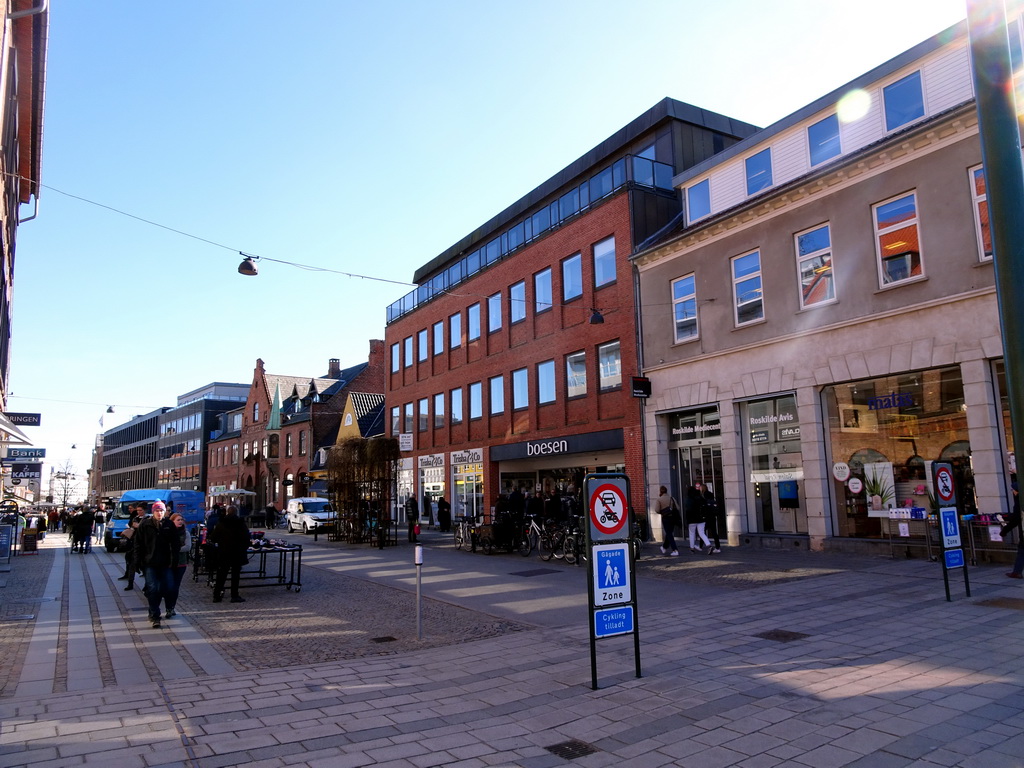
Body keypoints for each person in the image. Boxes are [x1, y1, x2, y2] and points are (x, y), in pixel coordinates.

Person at [133, 500, 180, 628]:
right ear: (153, 512)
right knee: (153, 589)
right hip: (150, 562)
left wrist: (174, 560)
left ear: (165, 512)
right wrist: (136, 562)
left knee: (169, 587)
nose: (159, 513)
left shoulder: (169, 524)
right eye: (157, 511)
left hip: (165, 562)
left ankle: (168, 608)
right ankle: (154, 615)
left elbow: (175, 544)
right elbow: (138, 544)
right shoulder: (146, 524)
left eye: (161, 511)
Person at [210, 504, 250, 603]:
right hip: (237, 553)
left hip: (224, 552)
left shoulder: (221, 523)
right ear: (236, 512)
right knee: (235, 575)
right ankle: (234, 595)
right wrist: (243, 547)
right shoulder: (241, 523)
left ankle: (217, 595)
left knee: (221, 575)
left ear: (227, 512)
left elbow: (213, 538)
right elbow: (246, 538)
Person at [165, 513, 191, 618]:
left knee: (175, 587)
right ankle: (168, 606)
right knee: (169, 586)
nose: (180, 521)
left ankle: (171, 608)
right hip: (169, 563)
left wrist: (175, 549)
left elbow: (188, 547)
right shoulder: (167, 532)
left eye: (181, 519)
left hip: (181, 563)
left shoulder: (185, 533)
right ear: (172, 521)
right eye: (178, 520)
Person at [1002, 480, 1023, 579]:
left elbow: (1016, 519)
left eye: (1013, 489)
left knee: (1022, 550)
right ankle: (1017, 571)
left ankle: (1017, 572)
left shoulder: (1019, 501)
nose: (1012, 491)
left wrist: (1004, 530)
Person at [118, 505, 142, 590]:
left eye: (140, 510)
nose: (138, 512)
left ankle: (147, 586)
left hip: (143, 545)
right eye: (138, 510)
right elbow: (131, 528)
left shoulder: (147, 520)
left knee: (144, 566)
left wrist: (139, 526)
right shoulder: (135, 518)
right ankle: (130, 582)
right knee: (130, 562)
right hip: (133, 544)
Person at [654, 486, 679, 556]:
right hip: (673, 518)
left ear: (660, 491)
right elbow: (677, 507)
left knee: (669, 534)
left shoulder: (659, 499)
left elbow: (657, 510)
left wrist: (662, 511)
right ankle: (664, 547)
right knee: (669, 533)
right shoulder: (671, 498)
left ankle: (675, 550)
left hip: (665, 518)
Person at [687, 484, 712, 554]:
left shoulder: (690, 499)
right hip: (701, 518)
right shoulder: (700, 497)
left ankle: (692, 548)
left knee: (692, 533)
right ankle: (709, 545)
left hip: (692, 519)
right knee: (701, 533)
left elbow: (688, 508)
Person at [701, 485, 723, 554]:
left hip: (707, 517)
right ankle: (717, 547)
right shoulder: (711, 495)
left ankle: (700, 546)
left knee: (702, 532)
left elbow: (704, 506)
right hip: (712, 517)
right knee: (714, 532)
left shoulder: (704, 496)